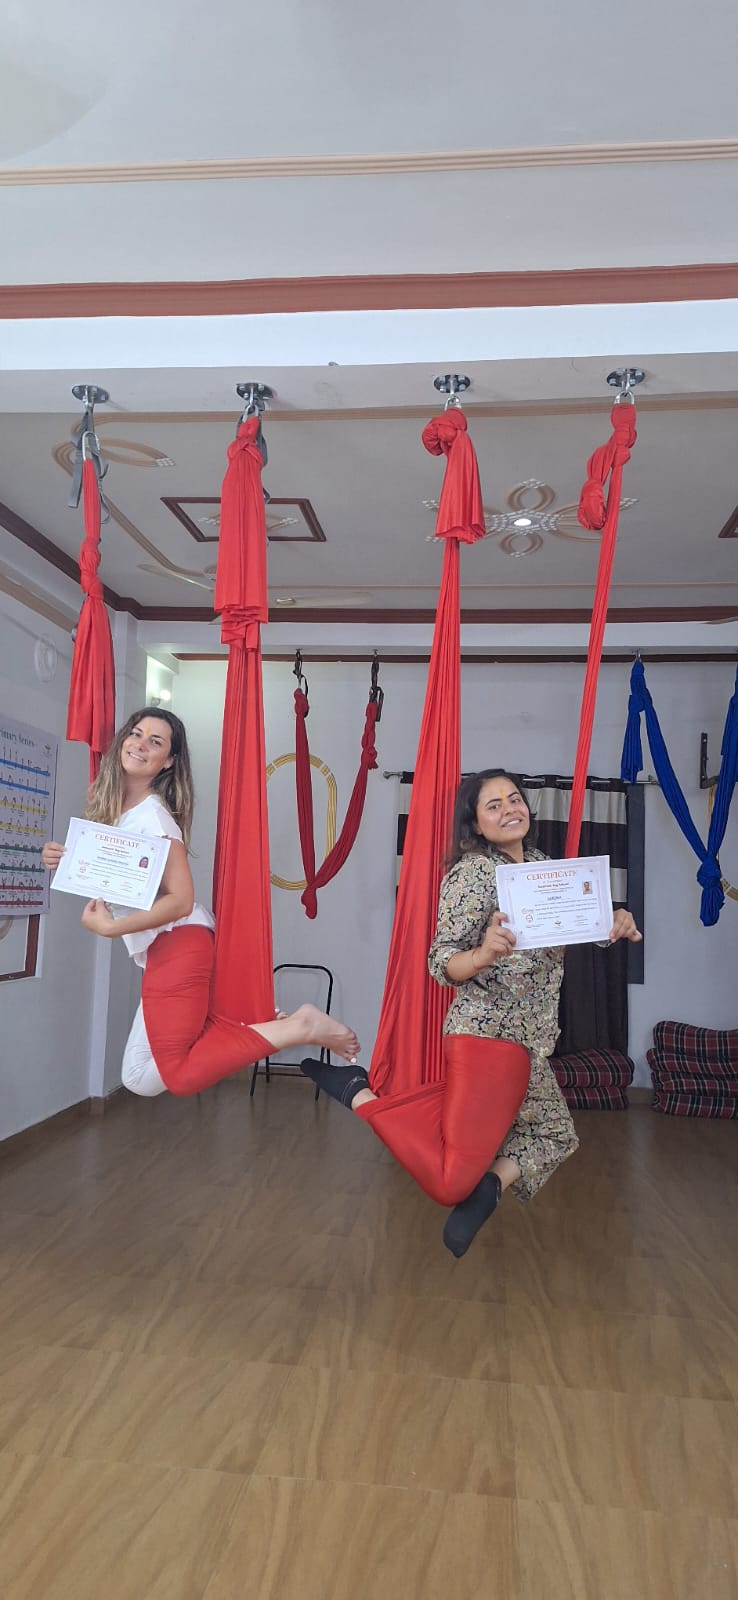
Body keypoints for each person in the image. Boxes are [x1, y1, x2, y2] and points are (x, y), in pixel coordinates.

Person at [301, 769, 641, 1257]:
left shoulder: (546, 868)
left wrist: (614, 922)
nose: (509, 809)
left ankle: (489, 1190)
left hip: (531, 1039)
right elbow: (441, 962)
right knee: (447, 1184)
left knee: (554, 1134)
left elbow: (578, 929)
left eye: (514, 799)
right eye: (493, 805)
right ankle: (360, 1093)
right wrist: (483, 953)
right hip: (489, 1035)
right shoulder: (475, 873)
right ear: (477, 825)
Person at [42, 708, 359, 1097]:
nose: (140, 744)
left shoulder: (154, 818)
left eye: (155, 741)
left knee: (174, 1076)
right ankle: (274, 1024)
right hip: (166, 950)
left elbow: (180, 900)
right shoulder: (119, 813)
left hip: (178, 944)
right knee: (138, 1076)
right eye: (137, 734)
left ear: (168, 761)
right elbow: (122, 880)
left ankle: (299, 1028)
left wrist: (110, 927)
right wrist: (66, 858)